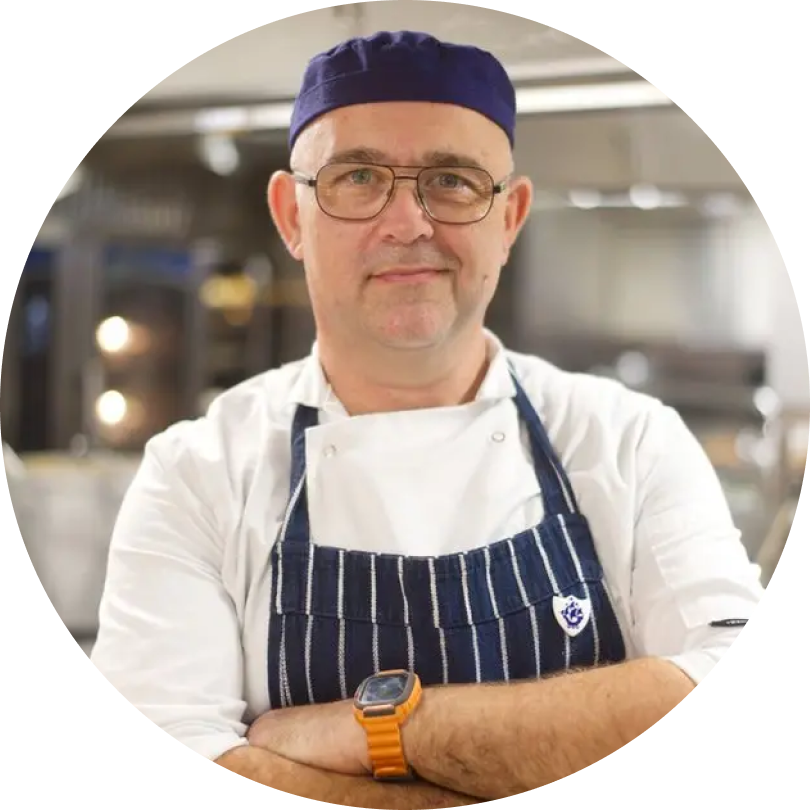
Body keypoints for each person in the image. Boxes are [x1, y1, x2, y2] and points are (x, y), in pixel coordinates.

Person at [90, 30, 764, 803]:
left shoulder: (631, 443)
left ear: (509, 218)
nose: (408, 223)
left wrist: (375, 729)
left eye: (451, 180)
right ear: (289, 215)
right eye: (358, 176)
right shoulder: (197, 476)